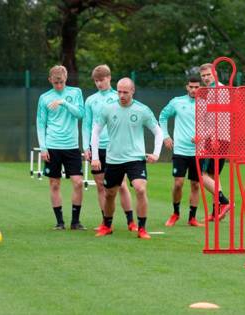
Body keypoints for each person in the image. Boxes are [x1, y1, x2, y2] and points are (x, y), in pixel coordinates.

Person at [92, 78, 162, 239]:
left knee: (140, 188)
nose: (122, 95)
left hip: (135, 158)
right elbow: (95, 132)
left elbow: (158, 132)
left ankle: (142, 228)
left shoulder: (142, 110)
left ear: (132, 91)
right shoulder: (107, 109)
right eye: (119, 91)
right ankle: (107, 226)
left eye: (125, 92)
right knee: (110, 194)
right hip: (113, 159)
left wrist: (156, 153)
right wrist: (95, 157)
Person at [82, 65, 136, 232]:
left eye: (102, 80)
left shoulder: (118, 96)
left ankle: (131, 222)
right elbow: (86, 125)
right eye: (96, 81)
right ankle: (106, 222)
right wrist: (86, 147)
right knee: (100, 186)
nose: (99, 83)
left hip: (117, 148)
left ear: (109, 78)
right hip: (97, 149)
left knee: (122, 185)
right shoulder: (91, 100)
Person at [36, 65, 86, 230]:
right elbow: (40, 124)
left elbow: (80, 114)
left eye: (62, 82)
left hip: (71, 146)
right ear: (50, 80)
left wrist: (64, 103)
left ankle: (75, 222)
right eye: (56, 82)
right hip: (52, 146)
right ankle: (60, 222)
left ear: (66, 79)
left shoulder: (75, 92)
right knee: (54, 184)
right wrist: (43, 148)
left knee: (78, 183)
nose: (59, 86)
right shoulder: (44, 98)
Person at [161, 76, 203, 227]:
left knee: (196, 185)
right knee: (178, 183)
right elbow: (163, 116)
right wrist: (165, 136)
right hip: (180, 150)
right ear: (187, 87)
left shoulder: (205, 104)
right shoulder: (177, 102)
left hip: (199, 151)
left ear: (201, 87)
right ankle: (175, 213)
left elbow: (212, 125)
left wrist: (202, 136)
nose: (193, 90)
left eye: (196, 87)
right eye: (191, 87)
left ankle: (192, 218)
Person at [198, 63, 231, 221]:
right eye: (203, 75)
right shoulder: (211, 90)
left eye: (208, 75)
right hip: (220, 137)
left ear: (215, 74)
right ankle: (216, 212)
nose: (205, 78)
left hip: (216, 138)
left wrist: (212, 137)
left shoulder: (219, 90)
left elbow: (220, 114)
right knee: (213, 175)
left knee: (201, 174)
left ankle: (224, 202)